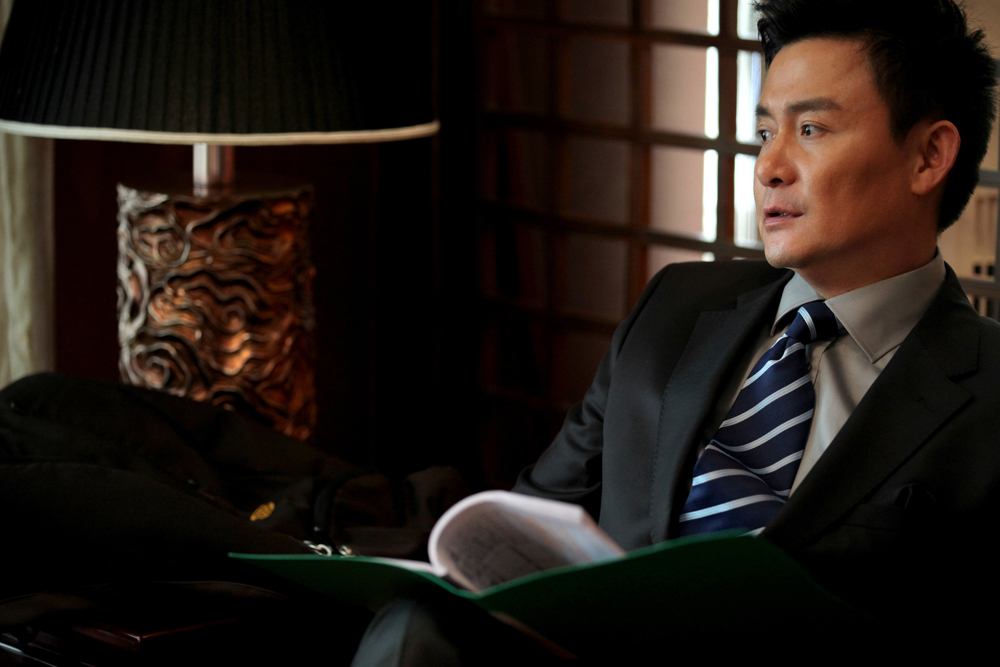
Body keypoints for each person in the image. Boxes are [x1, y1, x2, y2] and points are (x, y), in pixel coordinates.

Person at [351, 0, 1000, 661]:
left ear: (929, 156)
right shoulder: (676, 307)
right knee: (413, 622)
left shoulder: (988, 395)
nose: (769, 166)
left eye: (811, 130)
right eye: (765, 131)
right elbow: (529, 522)